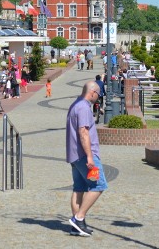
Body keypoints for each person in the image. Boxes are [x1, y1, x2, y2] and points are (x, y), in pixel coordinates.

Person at [66, 81, 107, 237]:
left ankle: (78, 226)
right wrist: (90, 156)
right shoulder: (83, 108)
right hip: (85, 156)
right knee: (99, 185)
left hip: (75, 156)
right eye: (98, 94)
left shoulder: (74, 105)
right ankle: (79, 218)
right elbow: (83, 132)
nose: (98, 98)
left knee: (79, 188)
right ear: (93, 93)